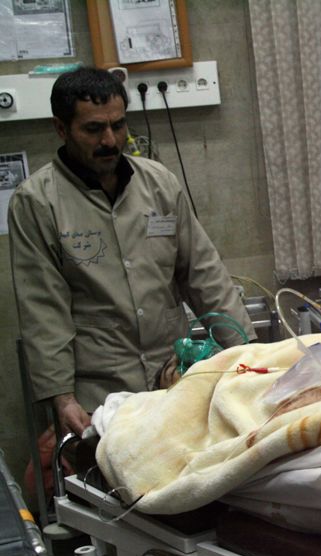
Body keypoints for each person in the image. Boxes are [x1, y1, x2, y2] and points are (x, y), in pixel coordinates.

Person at [8, 68, 255, 437]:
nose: (110, 139)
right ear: (61, 129)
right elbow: (43, 309)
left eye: (118, 125)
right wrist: (61, 397)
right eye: (93, 129)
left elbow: (203, 274)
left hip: (174, 378)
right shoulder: (38, 202)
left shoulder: (158, 183)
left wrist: (250, 357)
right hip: (100, 393)